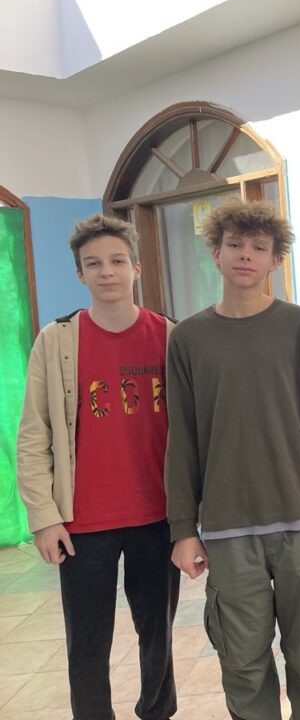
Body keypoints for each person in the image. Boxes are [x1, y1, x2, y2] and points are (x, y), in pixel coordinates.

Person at [164, 198, 300, 720]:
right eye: (235, 245)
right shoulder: (188, 339)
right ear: (216, 253)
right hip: (228, 528)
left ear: (275, 260)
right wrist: (183, 529)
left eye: (258, 247)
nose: (245, 255)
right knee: (243, 666)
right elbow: (182, 439)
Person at [16, 213, 179, 720]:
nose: (106, 271)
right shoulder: (56, 340)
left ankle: (157, 712)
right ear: (79, 273)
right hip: (82, 524)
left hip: (158, 516)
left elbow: (195, 432)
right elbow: (33, 436)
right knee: (86, 642)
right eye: (93, 264)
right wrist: (43, 518)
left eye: (116, 261)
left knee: (158, 634)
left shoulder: (170, 336)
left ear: (136, 267)